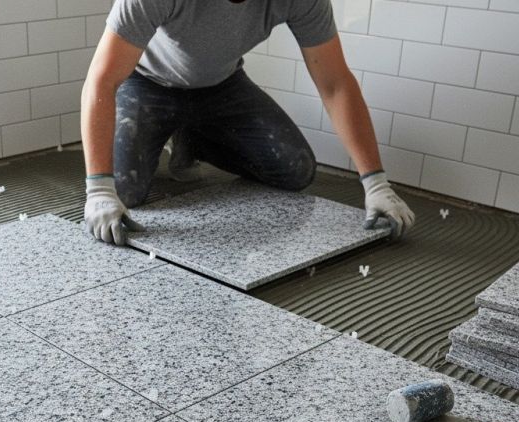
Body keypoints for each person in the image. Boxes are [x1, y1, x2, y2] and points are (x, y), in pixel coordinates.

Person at [81, 0, 415, 246]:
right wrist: (99, 190)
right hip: (148, 83)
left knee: (294, 169)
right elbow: (102, 80)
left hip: (222, 86)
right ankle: (169, 131)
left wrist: (376, 184)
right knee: (124, 190)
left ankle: (190, 138)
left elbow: (335, 83)